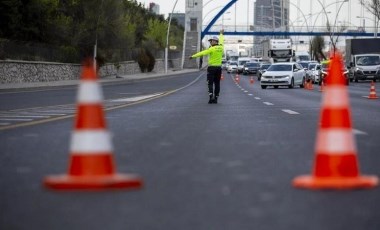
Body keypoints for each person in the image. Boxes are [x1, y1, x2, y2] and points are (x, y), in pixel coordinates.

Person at [190, 29, 224, 104]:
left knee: (210, 83)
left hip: (211, 68)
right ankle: (216, 98)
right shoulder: (221, 47)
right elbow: (221, 40)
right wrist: (221, 34)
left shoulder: (211, 49)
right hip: (219, 68)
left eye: (211, 41)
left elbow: (202, 53)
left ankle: (211, 97)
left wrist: (193, 56)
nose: (210, 42)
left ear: (215, 41)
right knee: (217, 83)